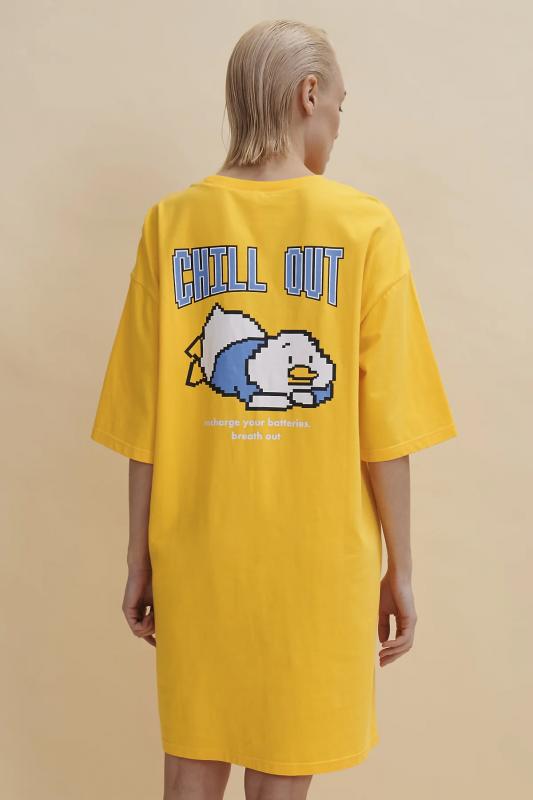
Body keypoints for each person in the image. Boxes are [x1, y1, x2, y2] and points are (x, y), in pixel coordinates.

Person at [90, 18, 458, 800]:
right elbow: (384, 429)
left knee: (190, 766)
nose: (338, 127)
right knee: (281, 781)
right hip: (318, 558)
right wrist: (400, 568)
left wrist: (138, 558)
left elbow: (143, 423)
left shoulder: (171, 224)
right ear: (308, 94)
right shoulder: (363, 225)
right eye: (339, 107)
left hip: (197, 549)